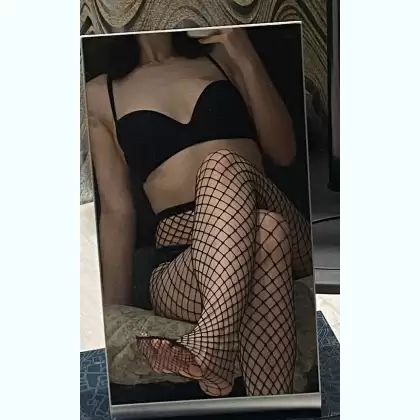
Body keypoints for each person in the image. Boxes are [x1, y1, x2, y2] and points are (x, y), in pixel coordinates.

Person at [85, 28, 312, 398]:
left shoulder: (223, 55)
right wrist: (112, 317)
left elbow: (283, 152)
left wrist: (243, 51)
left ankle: (210, 342)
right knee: (265, 232)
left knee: (223, 166)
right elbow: (117, 211)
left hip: (276, 216)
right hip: (183, 262)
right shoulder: (100, 93)